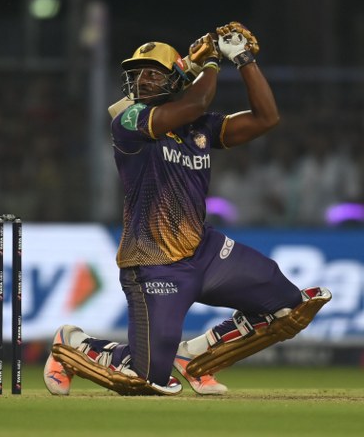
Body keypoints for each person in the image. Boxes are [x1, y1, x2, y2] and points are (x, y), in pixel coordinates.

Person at [43, 22, 331, 397]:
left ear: (176, 79)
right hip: (154, 261)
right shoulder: (128, 120)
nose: (142, 80)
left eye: (154, 73)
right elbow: (195, 102)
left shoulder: (201, 128)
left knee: (288, 308)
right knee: (147, 378)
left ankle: (194, 357)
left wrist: (244, 60)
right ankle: (72, 345)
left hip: (204, 252)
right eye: (137, 73)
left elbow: (266, 118)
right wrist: (211, 61)